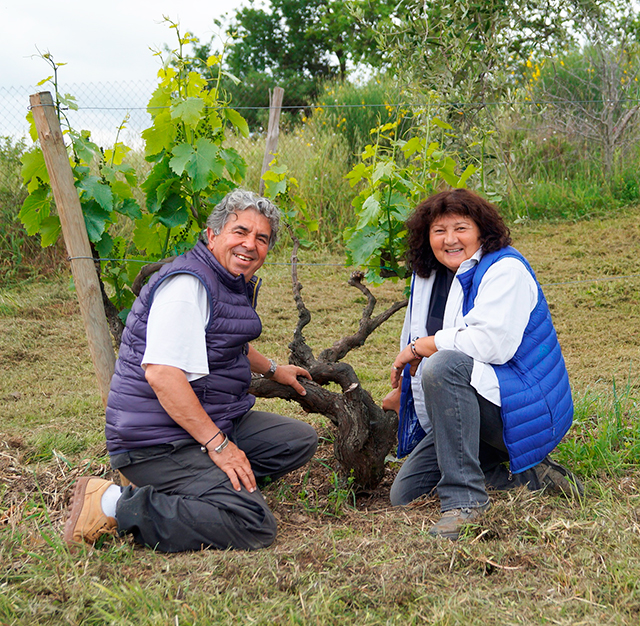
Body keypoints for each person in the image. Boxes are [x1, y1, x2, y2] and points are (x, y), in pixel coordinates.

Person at [63, 189, 318, 552]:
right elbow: (162, 375)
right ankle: (113, 504)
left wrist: (274, 369)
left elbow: (225, 339)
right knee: (254, 525)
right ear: (213, 235)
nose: (250, 244)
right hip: (156, 442)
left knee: (297, 440)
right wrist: (219, 446)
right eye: (240, 232)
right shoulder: (188, 285)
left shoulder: (227, 280)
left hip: (205, 422)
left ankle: (207, 491)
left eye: (261, 238)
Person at [384, 188, 582, 540]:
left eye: (460, 228)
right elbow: (411, 337)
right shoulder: (427, 277)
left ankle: (465, 504)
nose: (449, 239)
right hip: (473, 401)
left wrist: (425, 346)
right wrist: (402, 392)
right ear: (425, 236)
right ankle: (528, 475)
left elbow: (491, 346)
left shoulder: (505, 269)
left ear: (482, 230)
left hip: (525, 401)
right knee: (406, 494)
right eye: (439, 231)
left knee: (443, 365)